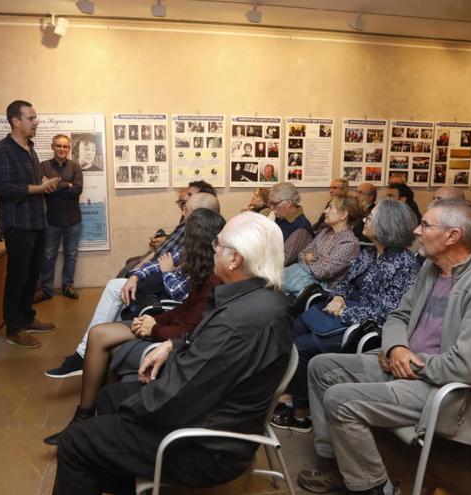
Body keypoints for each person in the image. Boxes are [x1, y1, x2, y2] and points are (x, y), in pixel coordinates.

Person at [52, 212, 293, 495]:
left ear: (235, 259)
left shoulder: (238, 320)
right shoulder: (262, 299)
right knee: (108, 397)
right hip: (218, 417)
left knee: (76, 442)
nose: (213, 248)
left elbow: (179, 393)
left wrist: (134, 409)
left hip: (206, 448)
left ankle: (110, 463)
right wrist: (173, 346)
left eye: (219, 244)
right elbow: (208, 353)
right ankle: (125, 480)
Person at [298, 198, 471, 495]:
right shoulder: (432, 268)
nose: (416, 230)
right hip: (405, 367)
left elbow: (468, 367)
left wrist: (410, 362)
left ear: (452, 236)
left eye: (426, 225)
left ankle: (375, 488)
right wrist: (395, 350)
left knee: (341, 400)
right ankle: (338, 464)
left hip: (441, 388)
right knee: (321, 366)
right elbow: (397, 316)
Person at [43, 208, 226, 445]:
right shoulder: (204, 270)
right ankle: (91, 420)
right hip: (167, 329)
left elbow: (190, 329)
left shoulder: (214, 278)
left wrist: (154, 329)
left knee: (104, 344)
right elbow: (182, 311)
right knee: (100, 334)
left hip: (176, 347)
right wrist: (153, 322)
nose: (182, 243)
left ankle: (88, 419)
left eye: (187, 237)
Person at [273, 199, 420, 433]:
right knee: (291, 328)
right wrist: (339, 297)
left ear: (387, 225)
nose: (364, 220)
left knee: (301, 347)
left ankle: (302, 414)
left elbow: (389, 311)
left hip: (364, 326)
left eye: (370, 218)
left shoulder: (405, 265)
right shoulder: (368, 253)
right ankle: (291, 395)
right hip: (341, 311)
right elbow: (343, 283)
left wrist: (345, 310)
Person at [47, 193, 220, 378]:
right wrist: (136, 275)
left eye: (187, 210)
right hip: (169, 308)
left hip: (170, 306)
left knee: (116, 289)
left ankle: (83, 355)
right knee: (121, 287)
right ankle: (85, 354)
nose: (183, 213)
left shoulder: (209, 258)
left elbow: (182, 299)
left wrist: (155, 322)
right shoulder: (193, 240)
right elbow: (162, 260)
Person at [0, 100, 59, 349]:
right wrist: (38, 187)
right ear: (15, 121)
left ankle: (27, 318)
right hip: (18, 225)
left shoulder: (30, 149)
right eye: (31, 118)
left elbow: (30, 182)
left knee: (32, 276)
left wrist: (44, 181)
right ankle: (14, 328)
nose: (35, 122)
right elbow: (4, 189)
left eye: (35, 118)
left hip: (37, 221)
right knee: (17, 277)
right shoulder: (1, 151)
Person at [283, 195, 361, 295]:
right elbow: (302, 253)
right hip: (301, 282)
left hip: (319, 292)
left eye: (330, 207)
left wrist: (312, 257)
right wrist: (318, 259)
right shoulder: (325, 232)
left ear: (343, 215)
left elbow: (322, 272)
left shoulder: (349, 243)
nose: (325, 211)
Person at [37, 134, 84, 301]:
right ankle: (46, 290)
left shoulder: (75, 166)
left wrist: (54, 184)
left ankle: (67, 286)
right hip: (51, 220)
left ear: (69, 148)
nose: (62, 149)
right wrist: (66, 185)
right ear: (52, 147)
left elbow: (77, 190)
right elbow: (43, 189)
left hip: (73, 220)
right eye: (58, 146)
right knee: (48, 256)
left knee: (70, 254)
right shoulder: (43, 166)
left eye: (65, 146)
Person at [269, 182, 313, 266]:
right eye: (270, 203)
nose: (271, 207)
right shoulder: (280, 217)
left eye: (275, 204)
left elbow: (283, 260)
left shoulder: (301, 228)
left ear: (288, 203)